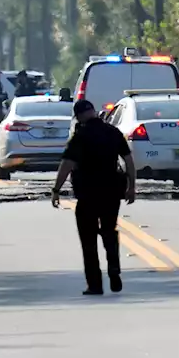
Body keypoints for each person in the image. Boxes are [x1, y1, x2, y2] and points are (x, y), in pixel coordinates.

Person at [51, 99, 136, 295]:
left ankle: (95, 284)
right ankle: (114, 269)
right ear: (94, 112)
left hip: (88, 194)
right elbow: (129, 160)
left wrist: (56, 190)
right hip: (112, 192)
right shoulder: (113, 132)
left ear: (80, 116)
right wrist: (132, 187)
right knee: (109, 231)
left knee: (88, 239)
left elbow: (67, 165)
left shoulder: (80, 136)